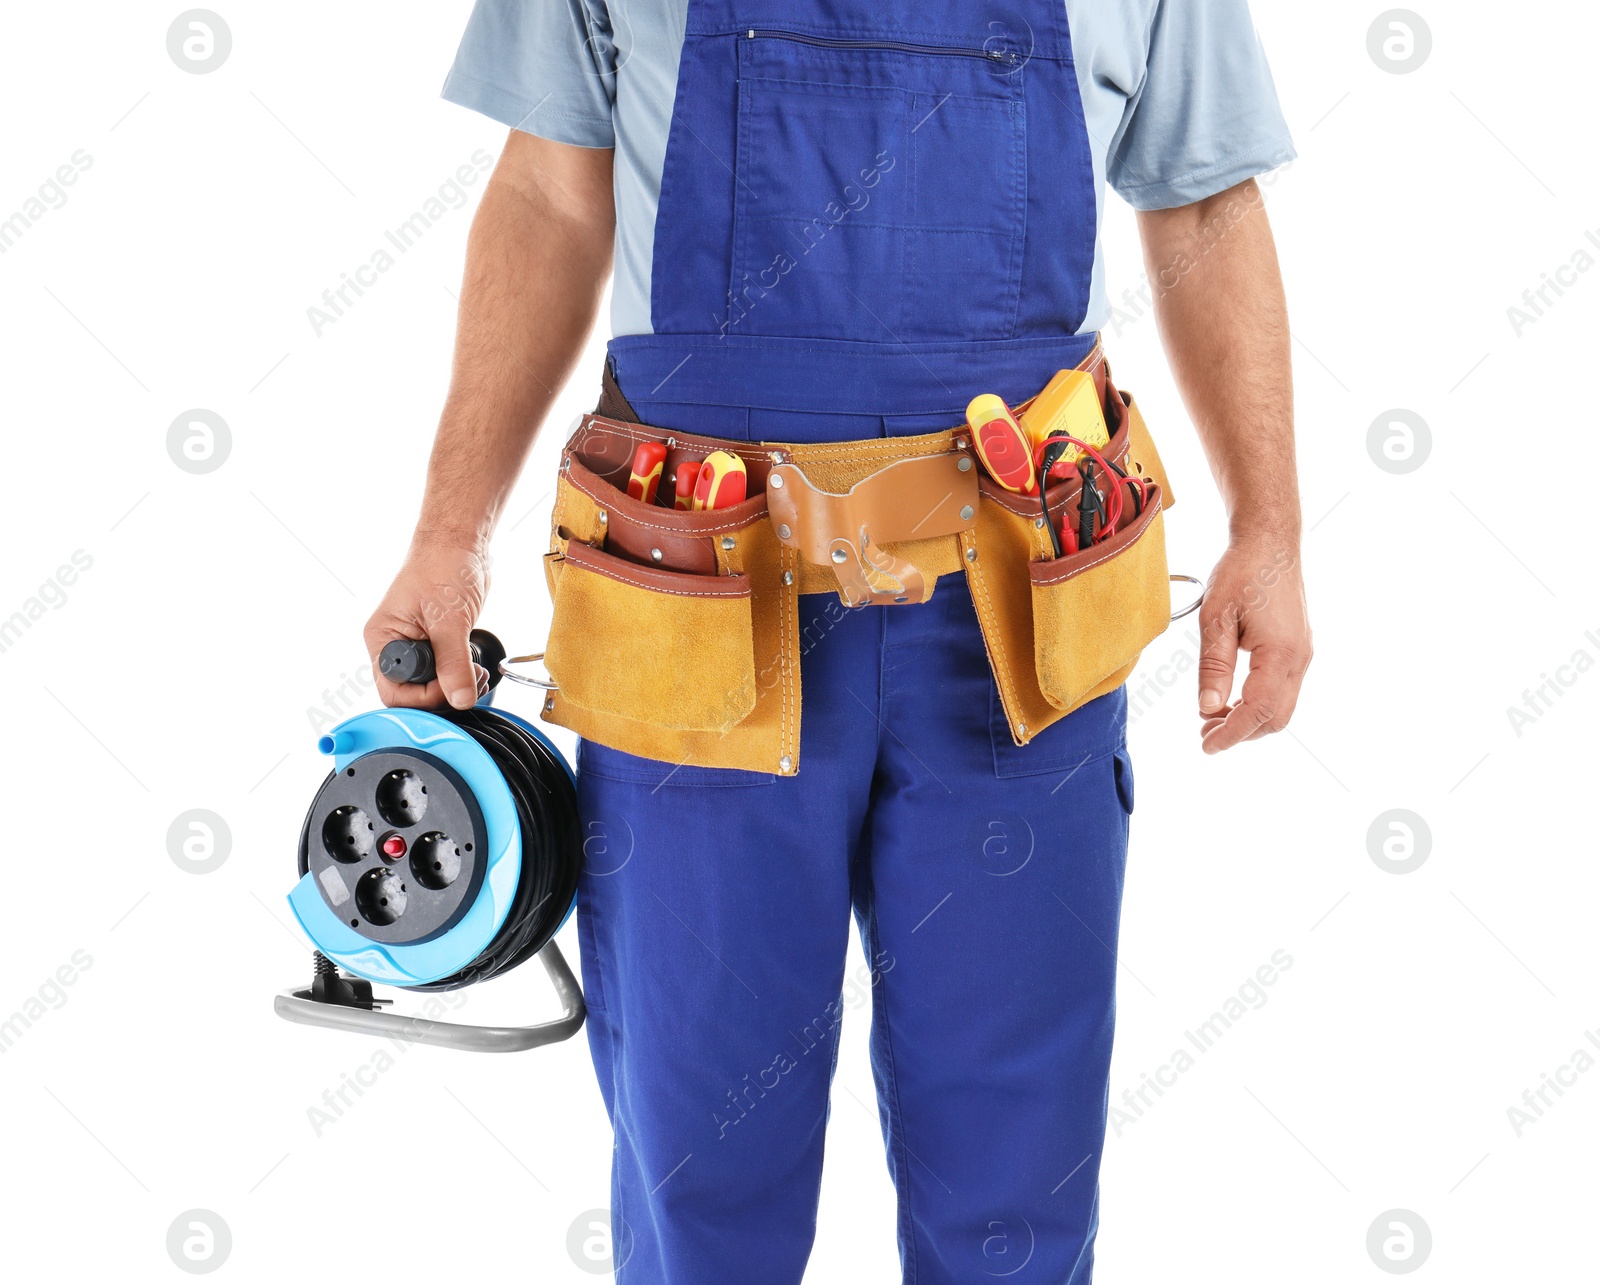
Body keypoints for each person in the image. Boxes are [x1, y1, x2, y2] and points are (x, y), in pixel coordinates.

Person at [364, 1, 1313, 1279]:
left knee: (1013, 1203)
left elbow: (1204, 203)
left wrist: (1272, 527)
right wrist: (447, 538)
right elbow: (547, 192)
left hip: (1015, 624)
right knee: (701, 1191)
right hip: (692, 614)